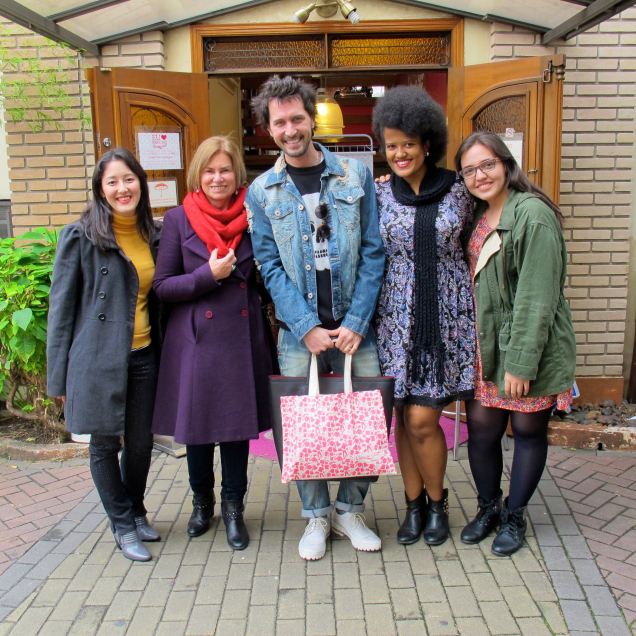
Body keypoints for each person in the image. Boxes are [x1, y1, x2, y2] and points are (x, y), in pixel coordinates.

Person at [246, 75, 386, 561]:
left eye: (297, 118)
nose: (290, 130)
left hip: (354, 327)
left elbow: (373, 251)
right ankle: (316, 516)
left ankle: (350, 510)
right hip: (297, 333)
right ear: (269, 128)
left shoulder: (354, 175)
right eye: (279, 122)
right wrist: (305, 325)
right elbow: (268, 265)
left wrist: (358, 321)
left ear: (311, 119)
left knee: (366, 417)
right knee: (302, 425)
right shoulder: (262, 191)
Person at [152, 136, 275, 551]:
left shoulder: (256, 215)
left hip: (242, 336)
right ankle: (202, 503)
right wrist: (208, 276)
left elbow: (269, 277)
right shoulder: (177, 219)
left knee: (237, 430)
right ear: (198, 175)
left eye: (225, 170)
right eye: (209, 170)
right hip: (196, 340)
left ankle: (234, 508)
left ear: (237, 174)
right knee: (199, 429)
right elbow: (163, 286)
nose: (217, 178)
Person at [455, 131, 576, 556]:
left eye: (487, 164)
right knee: (483, 430)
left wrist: (522, 363)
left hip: (528, 345)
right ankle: (488, 507)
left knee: (526, 431)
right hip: (486, 345)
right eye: (469, 170)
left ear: (507, 164)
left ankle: (515, 514)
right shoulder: (478, 213)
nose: (480, 175)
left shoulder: (532, 215)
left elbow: (537, 298)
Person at [371, 86, 476, 547]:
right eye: (391, 145)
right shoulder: (378, 193)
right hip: (394, 320)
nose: (399, 154)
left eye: (408, 144)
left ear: (428, 142)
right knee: (401, 415)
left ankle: (438, 503)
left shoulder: (460, 188)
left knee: (422, 420)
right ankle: (413, 507)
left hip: (446, 321)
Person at [47, 148, 162, 562]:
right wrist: (58, 378)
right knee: (104, 443)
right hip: (97, 356)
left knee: (141, 444)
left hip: (144, 354)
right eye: (112, 181)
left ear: (140, 184)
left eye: (128, 179)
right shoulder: (80, 236)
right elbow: (60, 310)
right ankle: (122, 523)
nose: (121, 188)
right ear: (100, 189)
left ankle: (135, 509)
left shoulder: (154, 234)